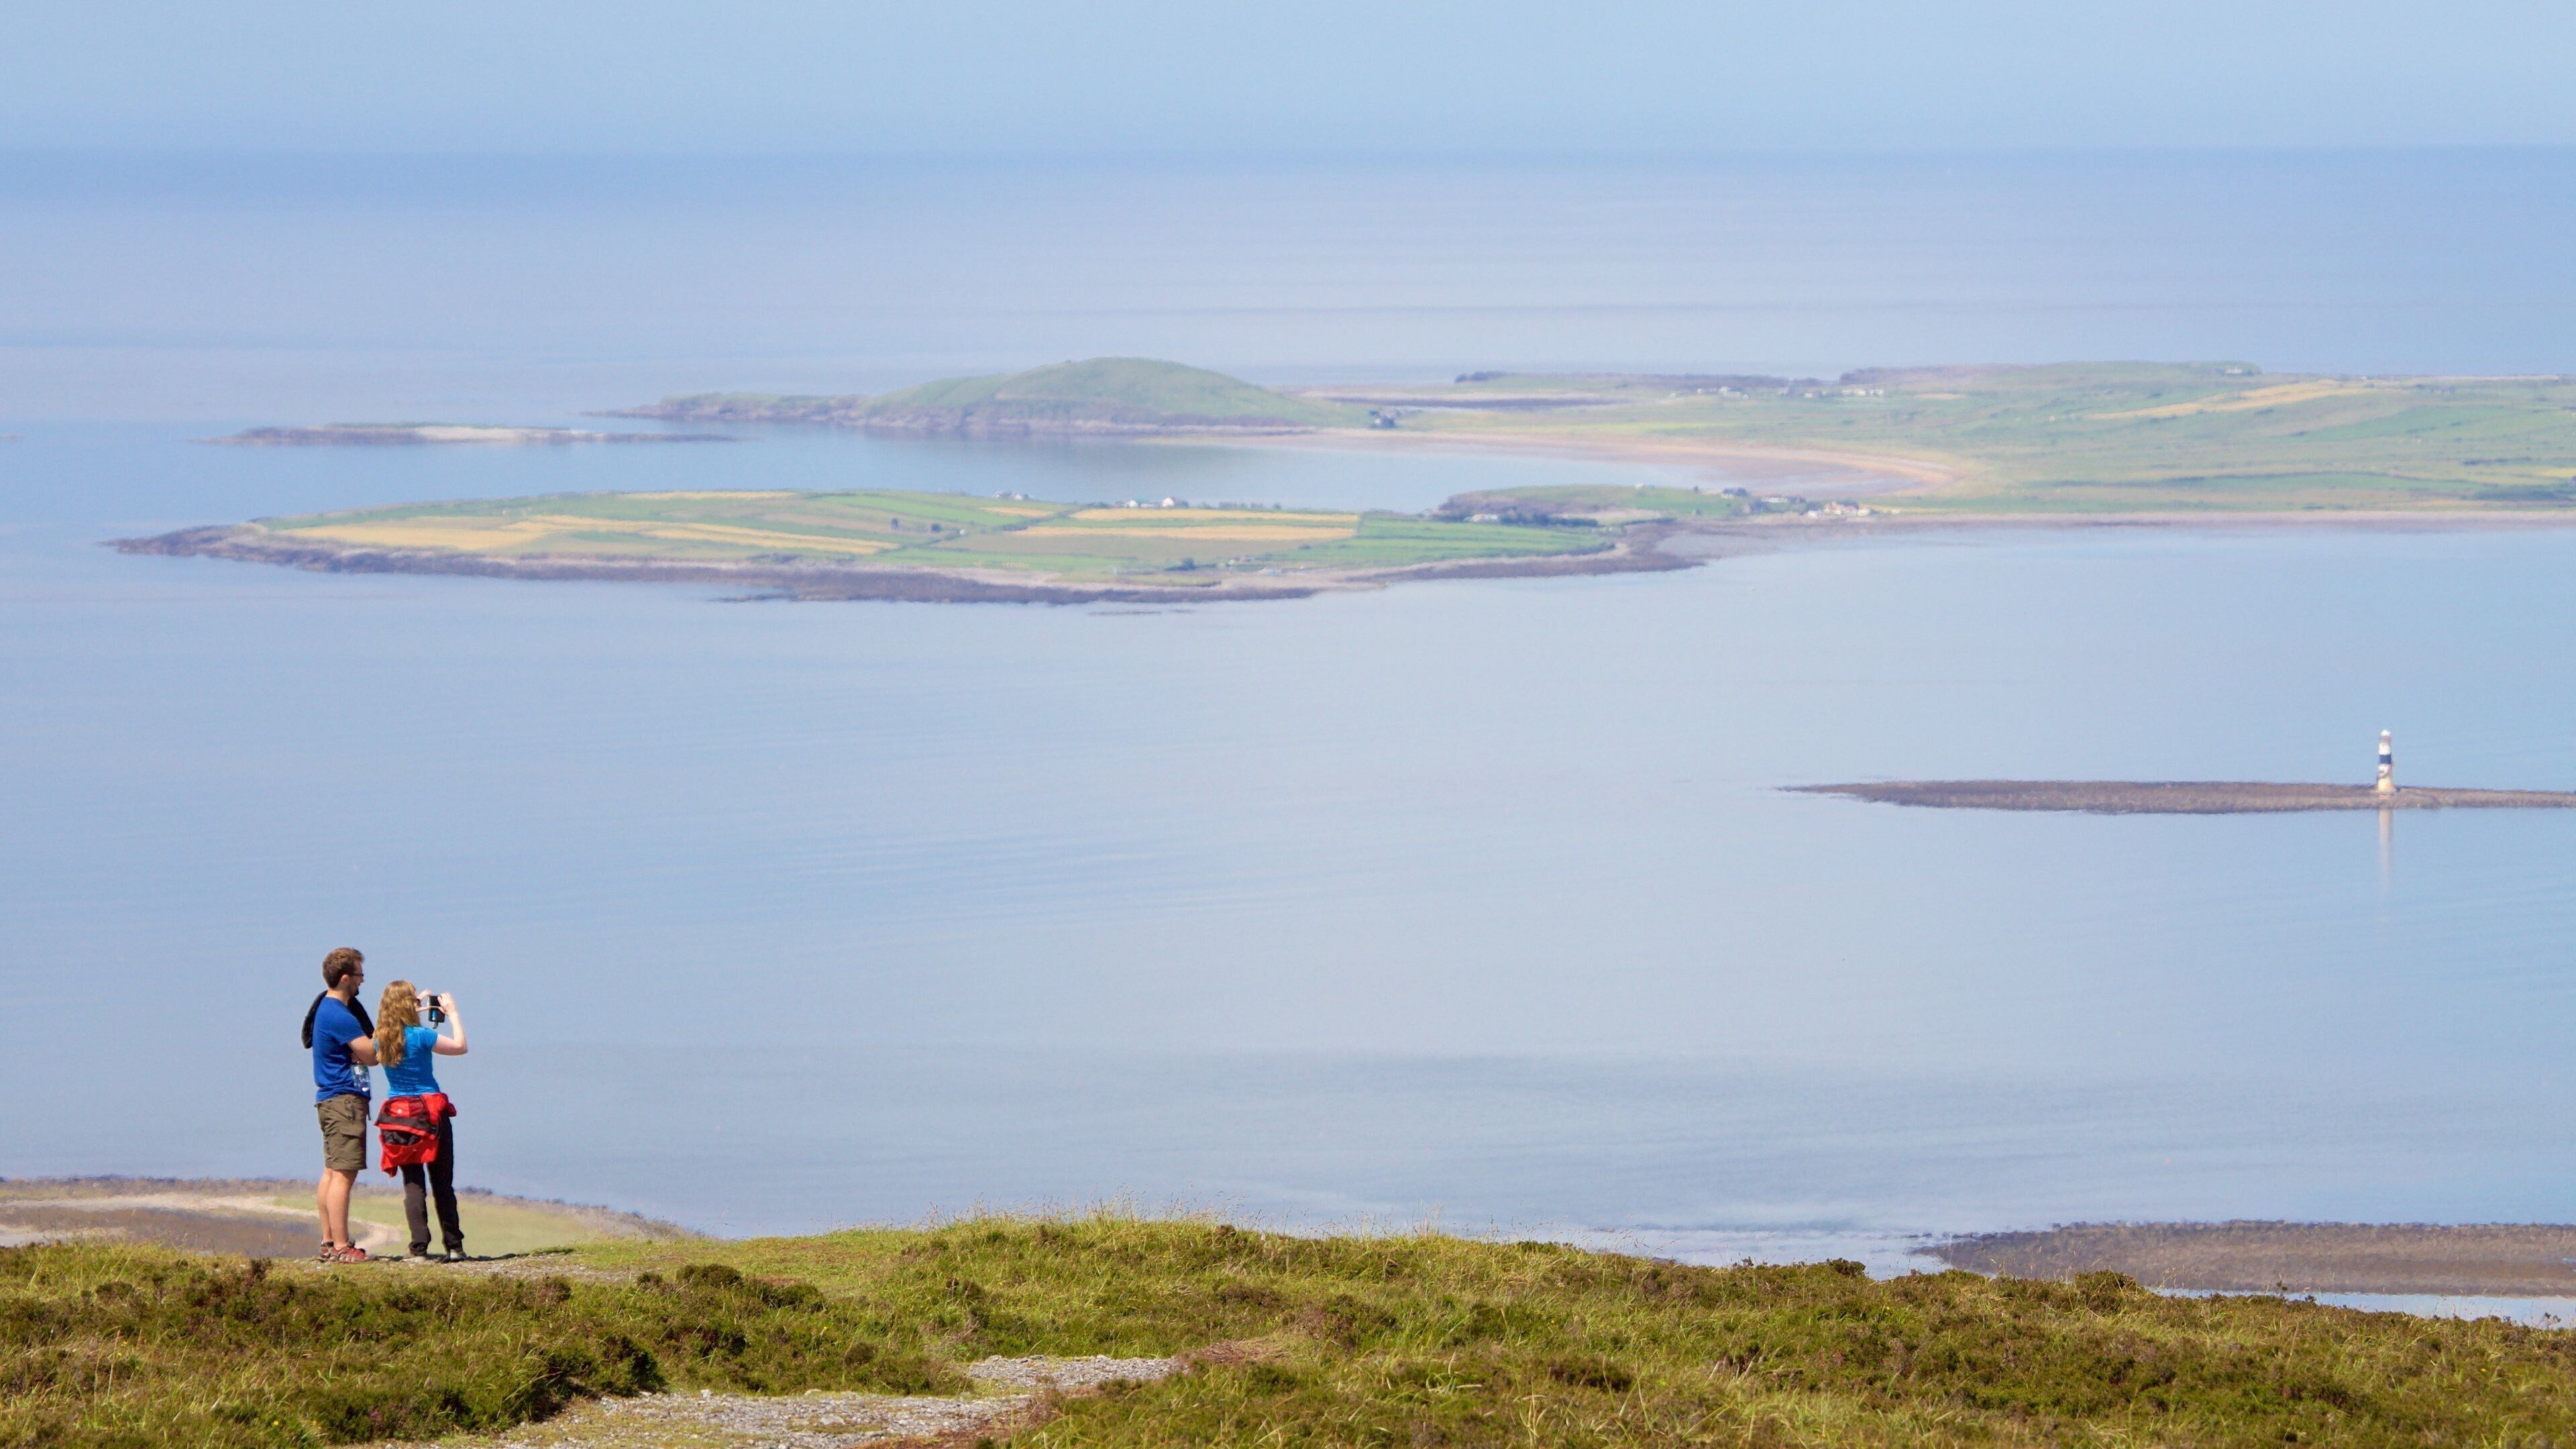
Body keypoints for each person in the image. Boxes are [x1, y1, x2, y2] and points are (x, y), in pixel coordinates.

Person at [373, 981, 469, 1262]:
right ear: (409, 1005)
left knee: (413, 1184)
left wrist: (410, 1005)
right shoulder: (421, 1036)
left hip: (399, 1117)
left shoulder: (379, 1039)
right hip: (430, 1113)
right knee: (442, 1182)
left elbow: (391, 1030)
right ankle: (454, 1246)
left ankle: (418, 1249)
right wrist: (452, 1014)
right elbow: (461, 1047)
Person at [303, 947, 378, 1264]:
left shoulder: (326, 1008)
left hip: (332, 1099)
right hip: (344, 1100)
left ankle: (329, 1241)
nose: (363, 981)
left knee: (332, 1172)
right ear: (346, 978)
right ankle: (341, 1247)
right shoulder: (339, 1014)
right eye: (360, 975)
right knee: (344, 1175)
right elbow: (372, 1055)